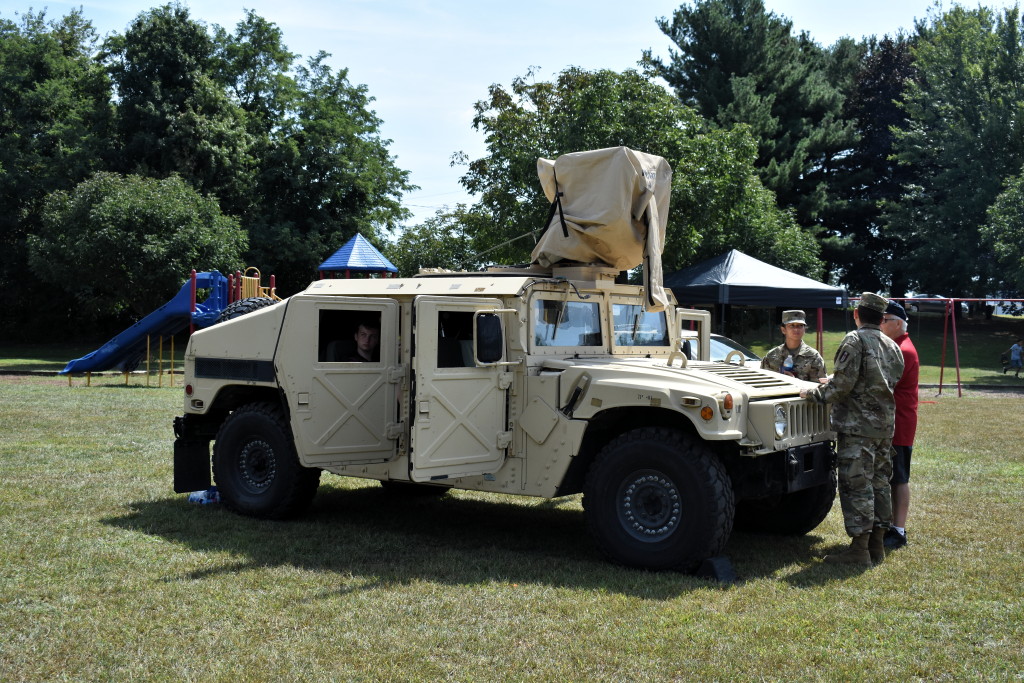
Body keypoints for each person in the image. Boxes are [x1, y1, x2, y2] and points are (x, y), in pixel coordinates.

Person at [800, 293, 904, 566]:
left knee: (856, 485)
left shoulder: (854, 340)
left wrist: (812, 393)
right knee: (879, 484)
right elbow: (888, 379)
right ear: (882, 318)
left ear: (856, 313)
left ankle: (859, 550)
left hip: (858, 428)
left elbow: (842, 386)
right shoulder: (891, 345)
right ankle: (877, 546)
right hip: (884, 427)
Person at [879, 301, 919, 550]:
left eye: (885, 320)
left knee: (899, 478)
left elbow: (883, 384)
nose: (881, 324)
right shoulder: (898, 346)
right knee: (895, 477)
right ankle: (893, 527)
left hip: (899, 423)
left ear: (897, 323)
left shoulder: (902, 349)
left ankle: (898, 530)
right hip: (896, 421)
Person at [761, 309, 827, 382]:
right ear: (783, 330)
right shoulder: (771, 356)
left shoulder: (813, 357)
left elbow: (820, 387)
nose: (796, 329)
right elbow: (763, 382)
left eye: (800, 325)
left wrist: (795, 382)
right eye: (791, 326)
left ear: (804, 329)